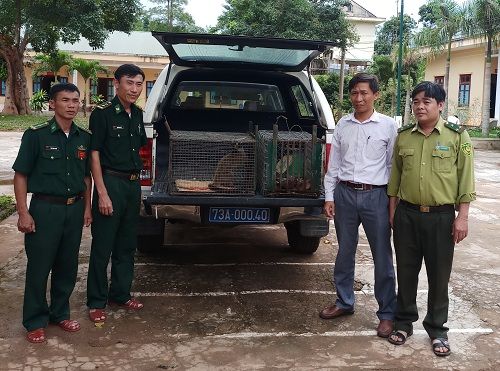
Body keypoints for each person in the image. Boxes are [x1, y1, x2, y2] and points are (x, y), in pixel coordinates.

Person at [387, 81, 475, 356]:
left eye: (426, 101)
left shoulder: (457, 137)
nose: (420, 106)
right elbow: (395, 178)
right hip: (407, 214)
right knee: (406, 271)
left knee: (439, 276)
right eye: (416, 102)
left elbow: (465, 179)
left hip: (441, 217)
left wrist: (462, 217)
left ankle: (437, 329)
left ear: (440, 105)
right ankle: (403, 323)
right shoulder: (404, 136)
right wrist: (393, 213)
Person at [13, 83, 92, 343]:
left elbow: (86, 178)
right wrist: (23, 212)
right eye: (65, 100)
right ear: (52, 104)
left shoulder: (83, 136)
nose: (71, 105)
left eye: (75, 101)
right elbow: (21, 174)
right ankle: (35, 320)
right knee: (39, 266)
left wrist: (87, 208)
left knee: (67, 266)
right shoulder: (37, 135)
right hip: (45, 209)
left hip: (74, 208)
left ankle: (60, 313)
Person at [320, 73, 397, 338]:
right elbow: (334, 164)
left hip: (376, 196)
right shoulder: (343, 124)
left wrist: (392, 203)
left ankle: (387, 314)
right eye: (354, 93)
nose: (359, 98)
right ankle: (344, 302)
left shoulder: (387, 126)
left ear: (376, 95)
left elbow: (392, 167)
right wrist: (329, 196)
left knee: (382, 256)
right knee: (344, 252)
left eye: (364, 93)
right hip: (345, 195)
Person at [86, 64, 147, 323]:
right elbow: (94, 154)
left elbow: (140, 150)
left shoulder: (137, 114)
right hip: (110, 183)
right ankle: (96, 301)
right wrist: (101, 193)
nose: (134, 89)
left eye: (139, 84)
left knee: (126, 245)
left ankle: (120, 293)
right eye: (130, 83)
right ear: (117, 83)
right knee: (103, 247)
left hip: (132, 186)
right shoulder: (102, 115)